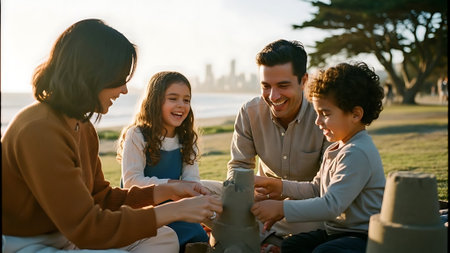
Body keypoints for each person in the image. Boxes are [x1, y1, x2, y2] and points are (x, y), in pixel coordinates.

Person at [1, 19, 222, 252]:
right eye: (119, 79)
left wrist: (167, 191)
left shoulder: (82, 126)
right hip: (27, 242)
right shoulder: (39, 130)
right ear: (93, 73)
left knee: (163, 237)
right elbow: (88, 227)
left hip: (70, 235)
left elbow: (101, 197)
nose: (124, 89)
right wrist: (174, 210)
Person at [251, 62, 386, 253]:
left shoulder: (358, 151)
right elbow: (316, 189)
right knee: (293, 245)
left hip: (364, 236)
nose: (317, 121)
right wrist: (280, 186)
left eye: (325, 114)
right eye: (317, 113)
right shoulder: (337, 148)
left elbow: (332, 205)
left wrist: (282, 208)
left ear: (356, 114)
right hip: (337, 232)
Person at [227, 39, 331, 238]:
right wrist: (247, 191)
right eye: (266, 86)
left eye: (283, 86)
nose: (273, 96)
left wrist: (284, 200)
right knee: (204, 193)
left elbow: (328, 189)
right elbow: (238, 167)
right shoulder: (250, 112)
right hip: (259, 206)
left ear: (304, 81)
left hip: (308, 211)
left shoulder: (325, 117)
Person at [117, 71, 208, 252]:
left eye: (186, 100)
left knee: (198, 234)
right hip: (141, 210)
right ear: (155, 101)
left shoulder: (187, 139)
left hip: (176, 209)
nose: (181, 105)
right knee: (171, 235)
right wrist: (173, 186)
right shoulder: (137, 135)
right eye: (173, 98)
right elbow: (131, 182)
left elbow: (192, 181)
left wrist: (201, 198)